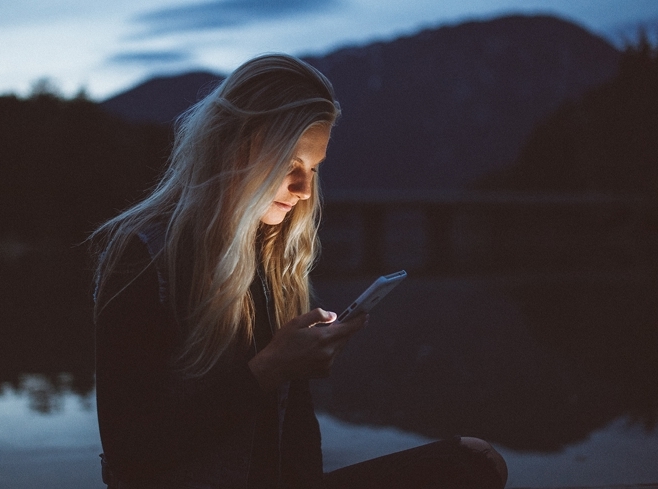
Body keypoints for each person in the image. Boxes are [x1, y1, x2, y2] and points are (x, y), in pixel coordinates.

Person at [90, 53, 508, 489]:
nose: (305, 190)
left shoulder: (271, 257)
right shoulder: (143, 258)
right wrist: (270, 370)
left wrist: (294, 365)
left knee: (473, 462)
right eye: (290, 165)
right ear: (235, 145)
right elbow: (131, 455)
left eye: (313, 168)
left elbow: (297, 437)